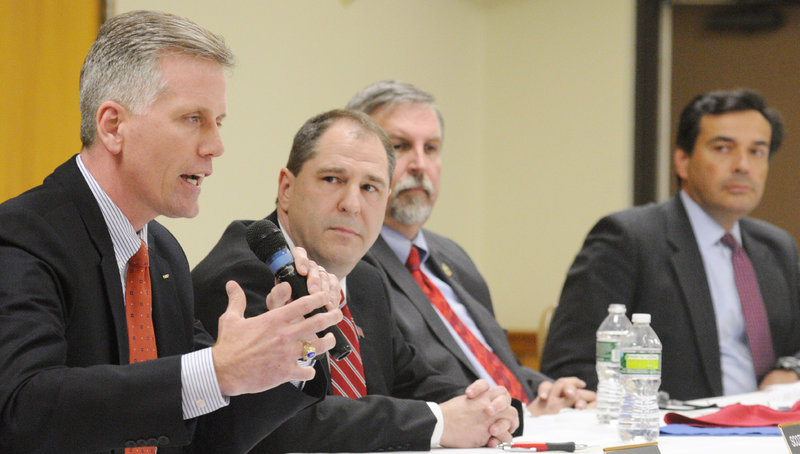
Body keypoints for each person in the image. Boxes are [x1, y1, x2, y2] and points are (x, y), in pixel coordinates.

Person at [0, 11, 343, 453]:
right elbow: (22, 408)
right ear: (113, 126)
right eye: (193, 119)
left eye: (219, 121)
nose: (216, 146)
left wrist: (289, 347)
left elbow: (206, 430)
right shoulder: (23, 236)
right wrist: (218, 370)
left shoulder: (162, 254)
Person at [192, 109, 521, 452]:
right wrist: (439, 423)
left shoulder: (365, 280)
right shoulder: (238, 277)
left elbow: (415, 381)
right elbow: (285, 426)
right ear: (286, 189)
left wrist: (489, 410)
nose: (351, 204)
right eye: (332, 179)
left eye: (370, 187)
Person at [348, 80, 595, 414]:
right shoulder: (351, 263)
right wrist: (510, 410)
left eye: (431, 148)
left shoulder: (451, 256)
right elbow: (398, 388)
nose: (420, 164)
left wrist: (544, 390)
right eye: (400, 146)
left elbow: (493, 363)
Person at [541, 88, 800, 401]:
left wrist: (791, 369)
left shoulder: (776, 246)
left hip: (775, 430)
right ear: (682, 160)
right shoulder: (627, 238)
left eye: (757, 152)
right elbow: (569, 366)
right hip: (677, 431)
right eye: (722, 148)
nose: (743, 165)